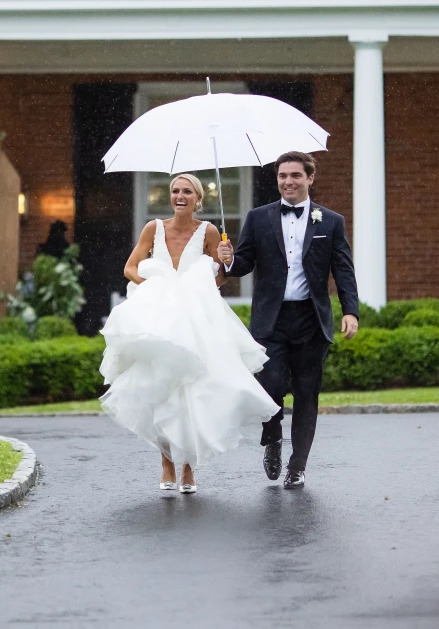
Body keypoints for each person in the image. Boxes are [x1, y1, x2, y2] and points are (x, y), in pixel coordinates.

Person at [100, 174, 279, 495]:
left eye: (187, 192)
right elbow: (130, 267)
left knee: (193, 391)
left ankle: (187, 468)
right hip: (160, 319)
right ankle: (167, 461)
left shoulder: (209, 232)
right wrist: (157, 287)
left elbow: (222, 276)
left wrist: (223, 260)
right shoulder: (153, 228)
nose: (180, 196)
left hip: (197, 320)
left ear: (199, 199)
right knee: (160, 389)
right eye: (175, 191)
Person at [219, 151, 360, 490]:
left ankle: (297, 467)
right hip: (271, 320)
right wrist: (227, 260)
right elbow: (243, 265)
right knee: (269, 388)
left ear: (310, 178)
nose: (288, 181)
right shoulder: (258, 218)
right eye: (282, 176)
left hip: (312, 320)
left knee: (307, 395)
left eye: (295, 175)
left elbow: (343, 270)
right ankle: (273, 437)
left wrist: (350, 311)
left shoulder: (331, 221)